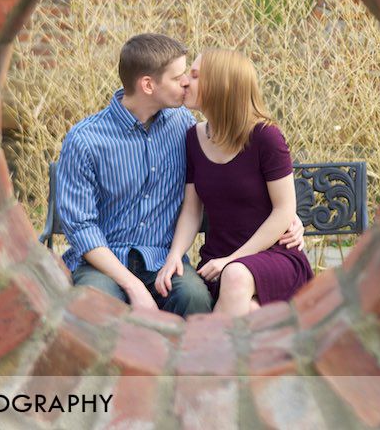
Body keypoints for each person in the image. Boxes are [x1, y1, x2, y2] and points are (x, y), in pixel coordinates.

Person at [56, 34, 304, 317]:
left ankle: (199, 360)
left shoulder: (182, 126)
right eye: (178, 77)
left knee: (195, 298)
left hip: (164, 258)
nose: (186, 81)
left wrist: (289, 218)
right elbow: (81, 226)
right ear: (148, 85)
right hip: (105, 262)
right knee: (95, 304)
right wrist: (133, 285)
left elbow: (238, 175)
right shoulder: (85, 139)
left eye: (190, 74)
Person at [155, 49, 313, 316]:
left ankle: (199, 354)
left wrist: (232, 260)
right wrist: (174, 255)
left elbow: (284, 210)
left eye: (194, 76)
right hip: (217, 260)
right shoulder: (193, 138)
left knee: (236, 276)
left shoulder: (266, 137)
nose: (185, 82)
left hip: (273, 256)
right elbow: (192, 211)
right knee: (250, 312)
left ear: (219, 84)